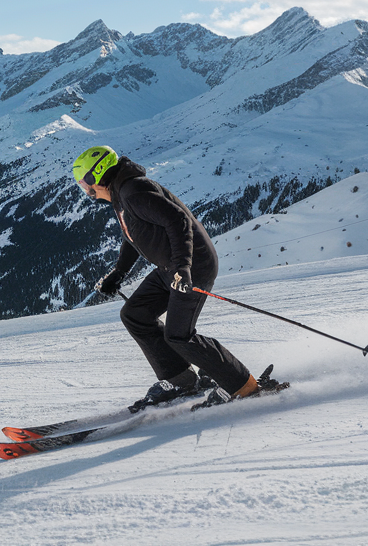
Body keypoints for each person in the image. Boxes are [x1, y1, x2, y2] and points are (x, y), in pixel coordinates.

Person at [72, 145, 280, 408]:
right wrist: (118, 272)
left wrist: (183, 267)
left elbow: (178, 220)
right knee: (136, 315)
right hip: (171, 268)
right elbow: (134, 235)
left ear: (97, 175)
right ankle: (180, 379)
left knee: (179, 335)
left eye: (85, 182)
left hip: (192, 267)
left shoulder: (133, 191)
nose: (86, 189)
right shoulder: (121, 195)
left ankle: (244, 387)